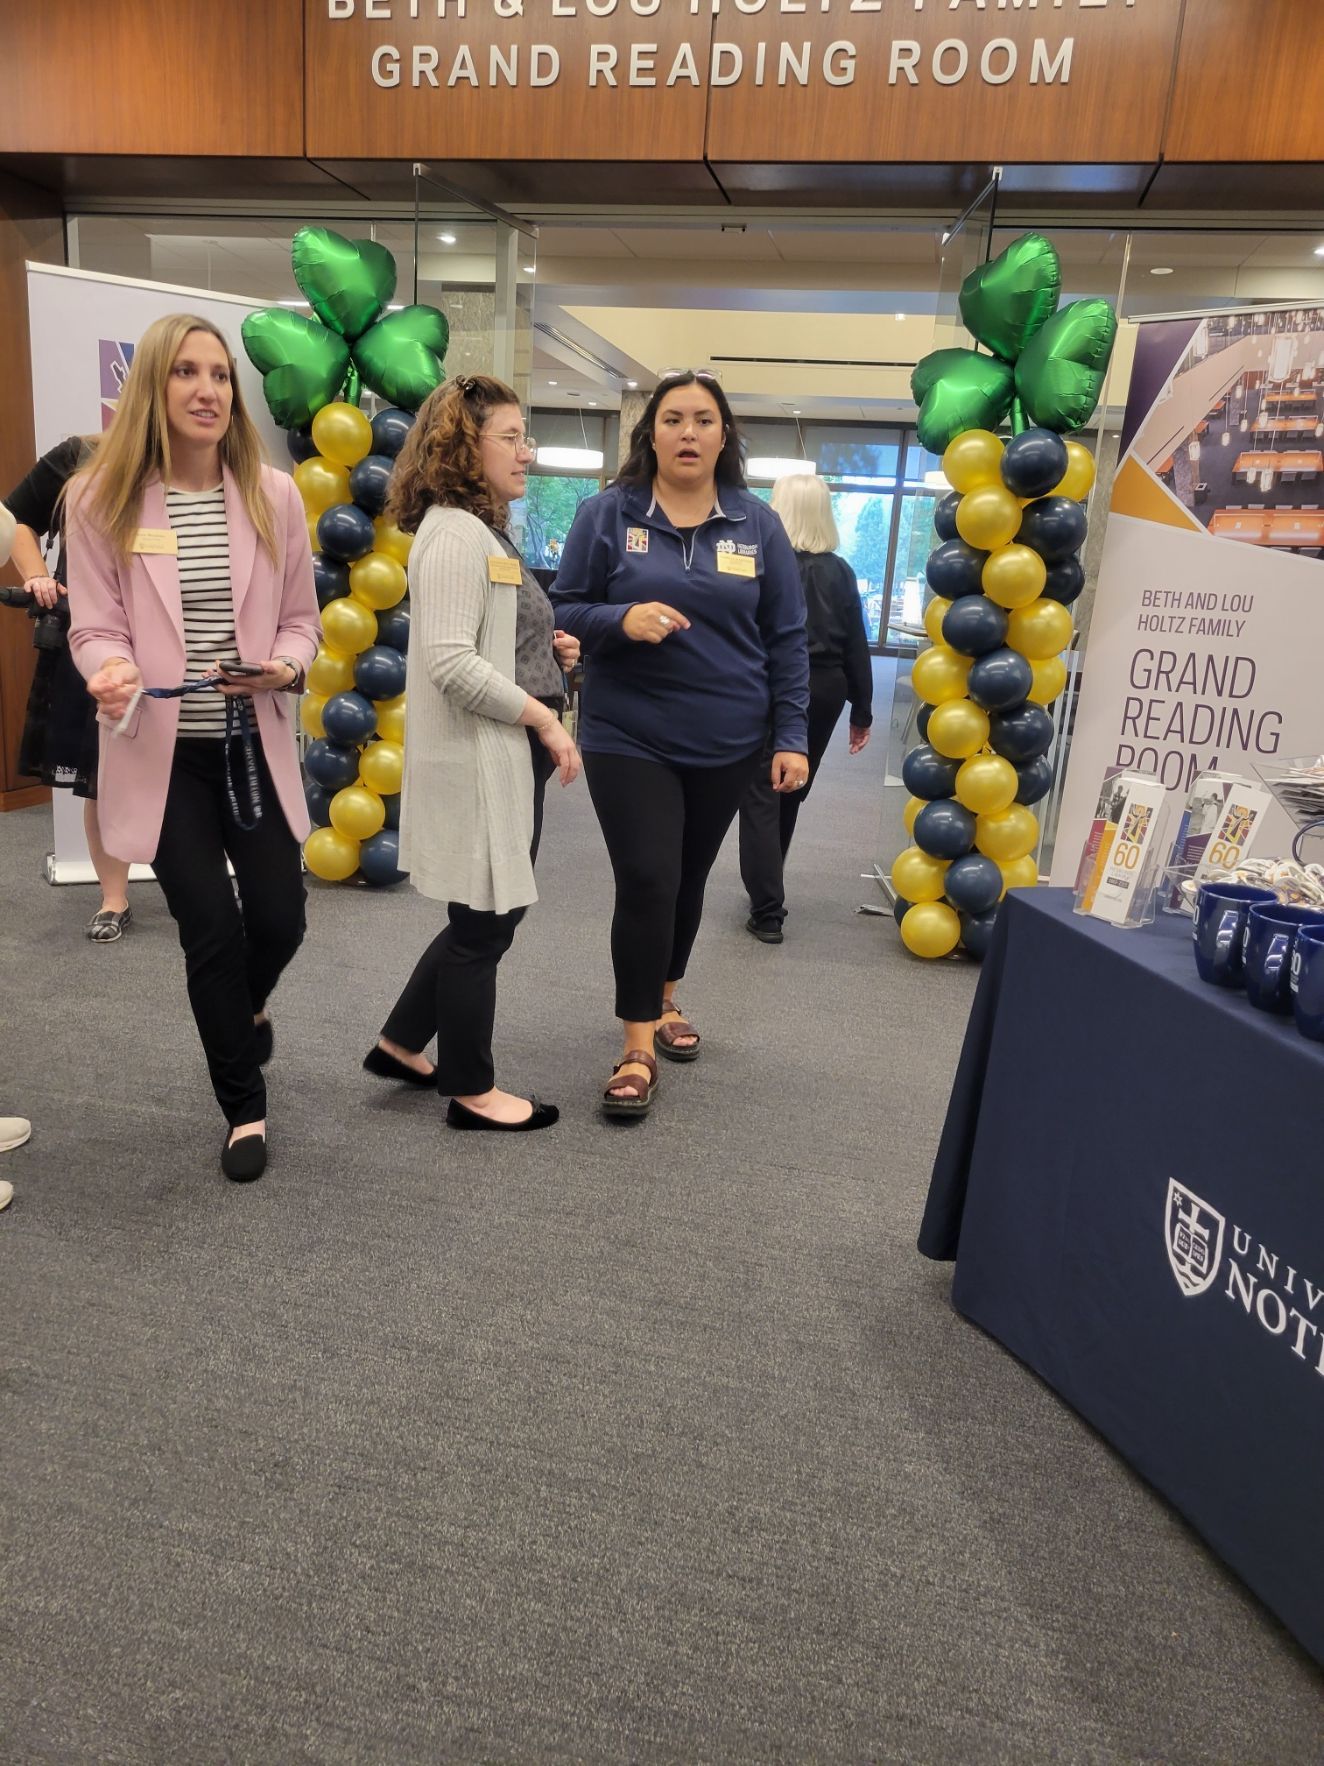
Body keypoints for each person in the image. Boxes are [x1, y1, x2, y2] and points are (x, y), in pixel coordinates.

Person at [65, 313, 320, 1182]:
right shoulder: (99, 496)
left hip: (252, 744)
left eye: (219, 374)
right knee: (208, 926)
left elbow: (301, 622)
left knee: (280, 919)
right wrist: (109, 668)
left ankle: (241, 1013)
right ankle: (243, 1108)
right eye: (186, 373)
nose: (208, 390)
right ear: (153, 388)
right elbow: (93, 625)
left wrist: (285, 666)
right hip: (162, 754)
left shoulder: (274, 495)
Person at [551, 370, 810, 1119]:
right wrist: (618, 621)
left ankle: (666, 998)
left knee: (689, 877)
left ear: (724, 434)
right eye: (673, 419)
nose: (688, 432)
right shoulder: (607, 514)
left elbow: (787, 638)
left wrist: (789, 734)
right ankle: (635, 1044)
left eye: (703, 419)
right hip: (627, 733)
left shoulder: (757, 526)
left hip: (728, 737)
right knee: (648, 878)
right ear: (651, 434)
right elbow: (564, 607)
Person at [365, 375, 581, 1132]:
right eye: (512, 437)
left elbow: (486, 640)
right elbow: (452, 664)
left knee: (483, 913)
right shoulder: (454, 533)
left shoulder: (481, 529)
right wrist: (547, 721)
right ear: (465, 446)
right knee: (486, 919)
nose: (528, 452)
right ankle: (470, 1087)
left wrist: (547, 652)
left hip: (504, 745)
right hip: (484, 750)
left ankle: (400, 1042)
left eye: (526, 437)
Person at [6, 434, 136, 941]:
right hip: (92, 640)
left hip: (174, 640)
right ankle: (113, 899)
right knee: (100, 771)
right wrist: (37, 575)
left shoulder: (191, 467)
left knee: (193, 767)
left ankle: (210, 887)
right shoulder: (80, 455)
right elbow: (15, 518)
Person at [739, 472, 873, 943]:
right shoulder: (841, 571)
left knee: (760, 789)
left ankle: (767, 907)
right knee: (792, 785)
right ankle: (768, 883)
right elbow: (858, 643)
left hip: (770, 684)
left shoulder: (760, 565)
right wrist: (863, 711)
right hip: (827, 690)